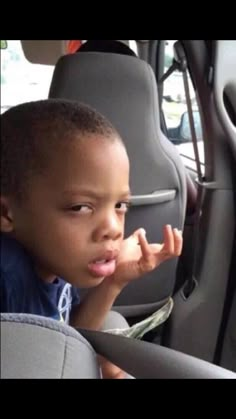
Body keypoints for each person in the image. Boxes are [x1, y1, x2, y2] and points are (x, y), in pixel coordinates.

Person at [1, 99, 182, 378]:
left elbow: (68, 335)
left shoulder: (56, 263)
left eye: (121, 206)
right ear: (6, 213)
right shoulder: (7, 278)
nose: (112, 228)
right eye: (80, 208)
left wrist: (115, 280)